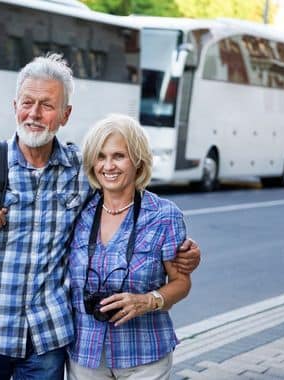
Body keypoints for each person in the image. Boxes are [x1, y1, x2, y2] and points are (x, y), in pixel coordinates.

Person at [0, 54, 200, 380]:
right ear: (15, 105)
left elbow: (127, 204)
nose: (34, 114)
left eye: (47, 105)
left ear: (65, 114)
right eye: (27, 103)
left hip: (47, 340)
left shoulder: (81, 169)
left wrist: (183, 252)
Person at [67, 114, 192, 380]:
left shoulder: (164, 215)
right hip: (85, 353)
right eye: (101, 157)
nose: (108, 166)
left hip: (144, 355)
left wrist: (147, 301)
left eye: (118, 156)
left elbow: (181, 283)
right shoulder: (80, 213)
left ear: (138, 161)